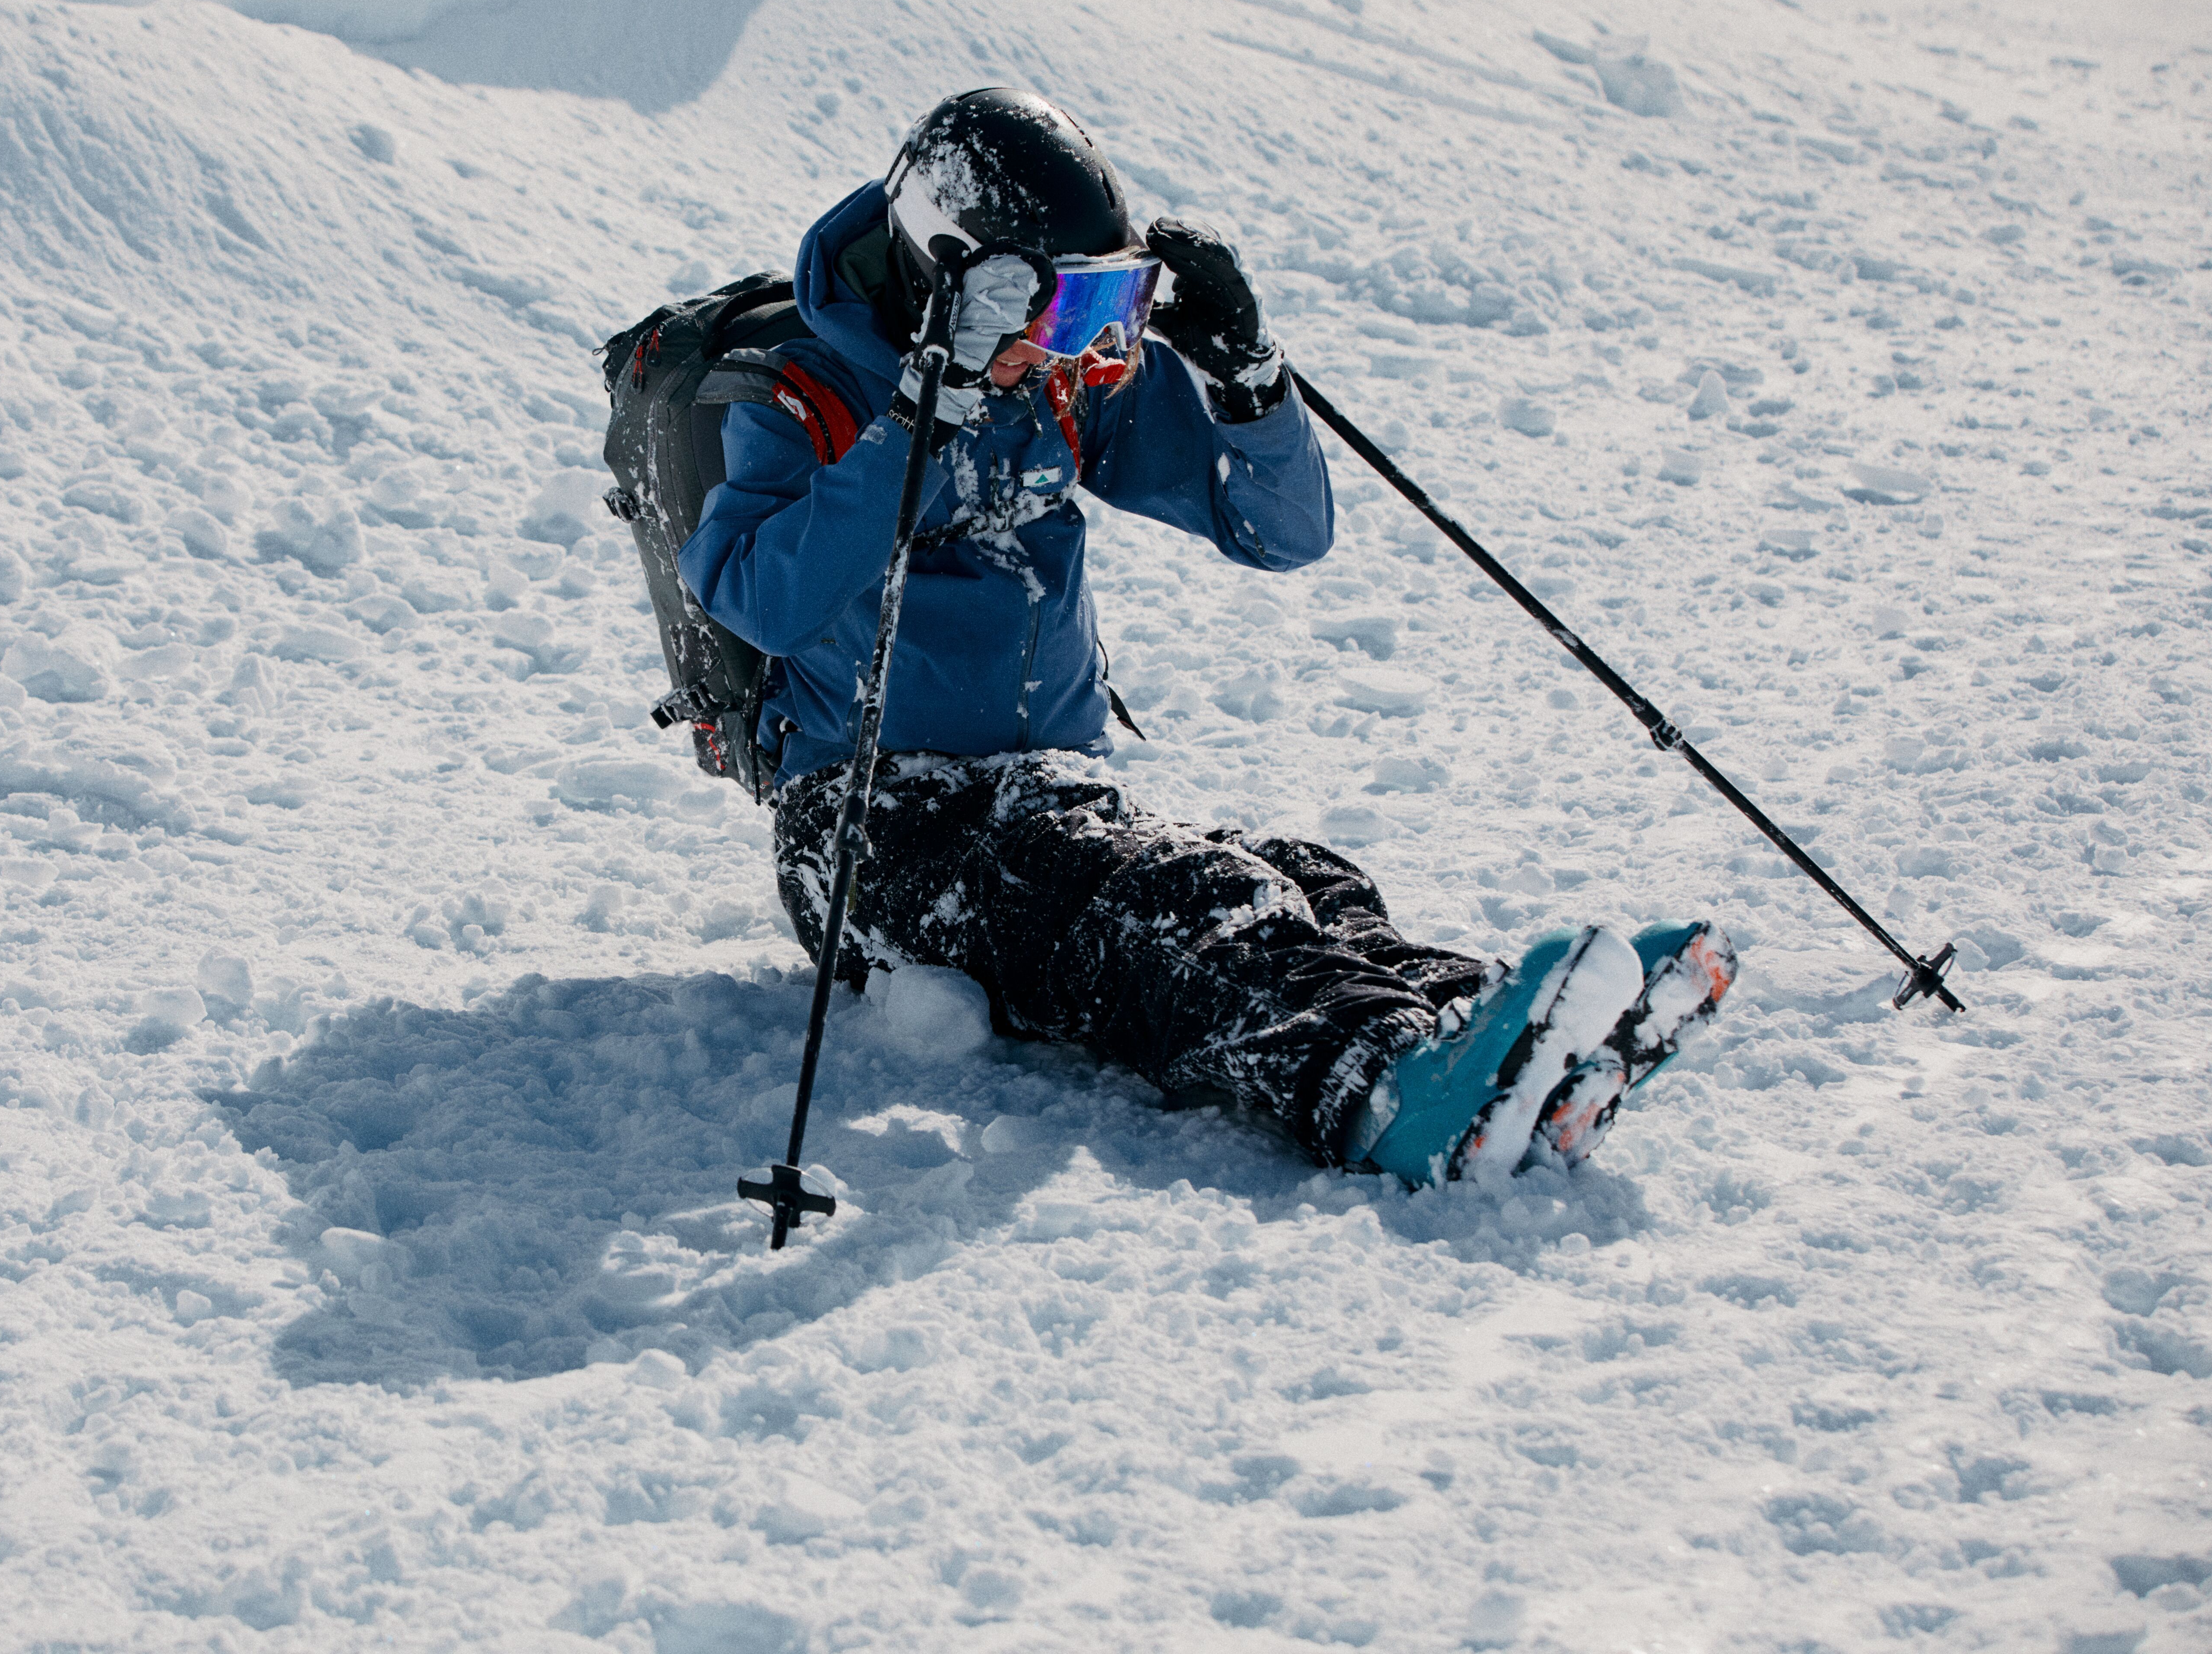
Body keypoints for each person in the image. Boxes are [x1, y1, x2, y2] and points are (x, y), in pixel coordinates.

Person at [678, 89, 1732, 1185]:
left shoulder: (1049, 384)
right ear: (958, 276)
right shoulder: (802, 387)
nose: (1077, 350)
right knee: (1174, 907)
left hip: (1043, 789)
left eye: (1104, 308)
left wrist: (1248, 381)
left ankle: (1484, 1030)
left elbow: (1281, 529)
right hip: (869, 827)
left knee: (1298, 878)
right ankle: (1383, 1089)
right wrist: (917, 417)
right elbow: (755, 594)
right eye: (1057, 311)